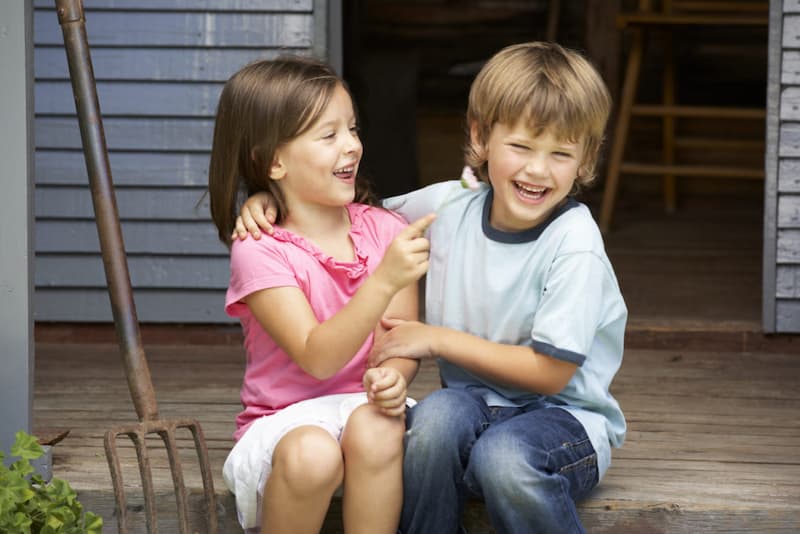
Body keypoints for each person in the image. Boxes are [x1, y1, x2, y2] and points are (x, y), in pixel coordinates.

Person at [236, 41, 627, 534]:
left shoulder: (575, 242)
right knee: (430, 424)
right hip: (472, 406)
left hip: (564, 419)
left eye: (561, 153)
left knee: (500, 458)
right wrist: (269, 200)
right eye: (522, 147)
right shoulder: (451, 205)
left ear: (586, 157)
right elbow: (347, 217)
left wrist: (435, 338)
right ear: (481, 137)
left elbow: (550, 374)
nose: (537, 169)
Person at [208, 56, 435, 534]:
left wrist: (394, 376)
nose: (352, 145)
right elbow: (317, 358)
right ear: (273, 160)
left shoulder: (385, 232)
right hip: (284, 420)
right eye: (328, 136)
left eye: (351, 129)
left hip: (364, 406)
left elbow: (399, 340)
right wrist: (383, 281)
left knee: (376, 427)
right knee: (313, 454)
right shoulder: (261, 250)